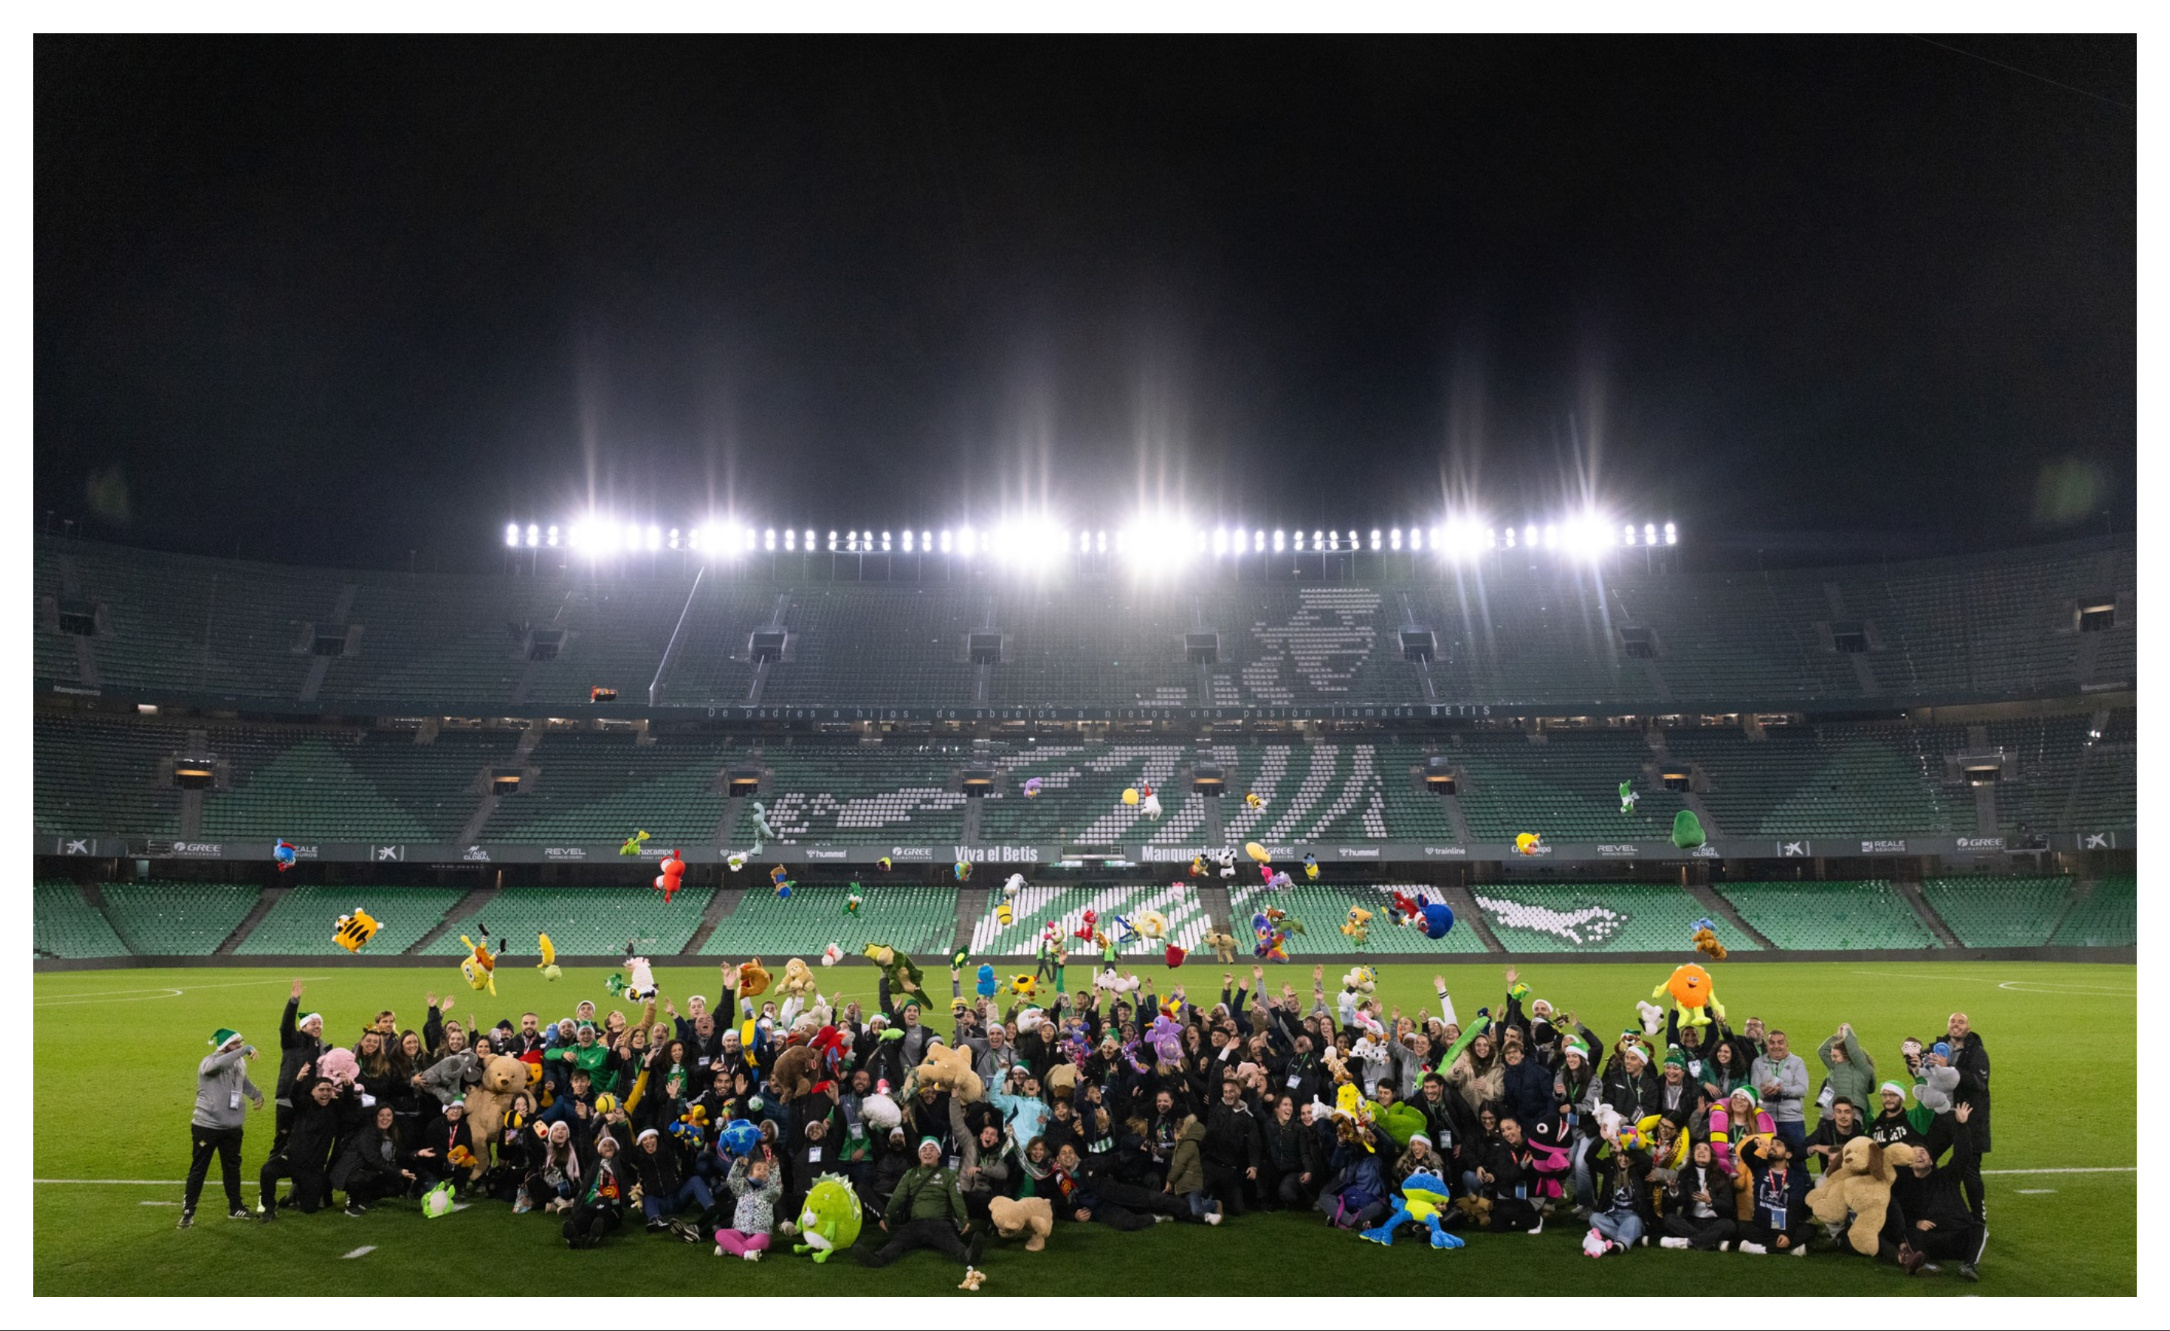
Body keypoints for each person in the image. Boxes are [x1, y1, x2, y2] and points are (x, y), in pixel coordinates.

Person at [1890, 1102, 1986, 1280]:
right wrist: (1916, 1222)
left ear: (1932, 1161)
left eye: (1923, 1152)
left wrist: (1962, 1126)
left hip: (1958, 1236)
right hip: (1931, 1240)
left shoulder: (1947, 1176)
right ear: (1909, 1162)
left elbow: (1962, 1155)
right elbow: (1900, 1215)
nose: (1919, 1154)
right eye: (1914, 1153)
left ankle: (1969, 1265)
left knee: (1979, 1227)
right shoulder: (1906, 1186)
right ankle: (1924, 1263)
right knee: (1910, 1229)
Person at [182, 1027, 263, 1228]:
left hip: (232, 1126)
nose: (240, 1046)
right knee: (199, 1169)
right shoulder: (209, 1061)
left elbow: (242, 1081)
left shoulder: (238, 1061)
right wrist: (244, 1051)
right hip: (207, 1126)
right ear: (225, 1046)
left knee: (232, 1168)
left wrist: (256, 1094)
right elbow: (215, 1066)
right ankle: (188, 1211)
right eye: (236, 1043)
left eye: (241, 1043)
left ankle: (236, 1207)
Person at [855, 1137, 980, 1267]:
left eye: (932, 1149)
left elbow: (956, 1198)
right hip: (914, 1224)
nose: (927, 1152)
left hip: (940, 1224)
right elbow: (898, 1197)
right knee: (897, 1242)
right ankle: (878, 1259)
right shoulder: (910, 1174)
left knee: (953, 1243)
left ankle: (968, 1256)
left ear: (939, 1153)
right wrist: (886, 1216)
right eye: (924, 1149)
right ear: (919, 1154)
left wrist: (963, 1218)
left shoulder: (948, 1175)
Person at [1944, 1011, 1990, 1222]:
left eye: (1961, 1022)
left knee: (1970, 1170)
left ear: (1968, 1029)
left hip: (1969, 1120)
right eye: (1953, 1021)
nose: (1956, 1025)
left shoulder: (1977, 1053)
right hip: (1942, 1118)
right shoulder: (1939, 1048)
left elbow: (1979, 1083)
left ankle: (1978, 1218)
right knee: (1923, 1158)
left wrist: (1949, 1068)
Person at [332, 1104, 417, 1216]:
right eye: (381, 1115)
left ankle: (363, 1199)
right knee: (358, 1179)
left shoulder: (392, 1132)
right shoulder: (368, 1133)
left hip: (374, 1169)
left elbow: (397, 1153)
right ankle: (351, 1205)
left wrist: (416, 1153)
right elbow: (373, 1159)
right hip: (354, 1169)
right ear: (375, 1117)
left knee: (396, 1186)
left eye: (388, 1115)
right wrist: (399, 1171)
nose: (385, 1118)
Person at [1735, 1134, 1812, 1255]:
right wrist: (1754, 1143)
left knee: (1809, 1230)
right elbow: (1746, 1154)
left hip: (1783, 1227)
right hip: (1761, 1226)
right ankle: (1790, 1248)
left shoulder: (1795, 1178)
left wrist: (1787, 1234)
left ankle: (1761, 1249)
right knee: (1741, 1227)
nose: (1772, 1147)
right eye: (1772, 1144)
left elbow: (1795, 1208)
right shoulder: (1760, 1167)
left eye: (1778, 1145)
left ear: (1788, 1155)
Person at [1658, 1139, 1738, 1251]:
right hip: (1692, 1221)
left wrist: (1710, 1201)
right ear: (1693, 1155)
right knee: (1669, 1219)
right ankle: (1712, 1242)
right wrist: (1674, 1190)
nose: (1701, 1151)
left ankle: (1688, 1242)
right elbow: (1681, 1201)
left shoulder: (1721, 1176)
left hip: (1714, 1222)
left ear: (1711, 1156)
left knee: (1729, 1225)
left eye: (1706, 1149)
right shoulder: (1685, 1173)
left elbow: (1727, 1206)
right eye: (1698, 1149)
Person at [272, 980, 322, 1150]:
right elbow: (285, 1027)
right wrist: (294, 1002)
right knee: (282, 1142)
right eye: (313, 1023)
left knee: (305, 1143)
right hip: (288, 1098)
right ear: (303, 1027)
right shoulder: (292, 1041)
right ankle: (271, 1173)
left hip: (308, 1101)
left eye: (319, 1023)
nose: (317, 1026)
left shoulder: (322, 1047)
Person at [563, 1128, 629, 1249]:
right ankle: (575, 1237)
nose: (608, 1147)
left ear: (616, 1149)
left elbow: (626, 1144)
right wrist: (583, 1119)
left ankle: (595, 1235)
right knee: (583, 1215)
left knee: (603, 1215)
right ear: (598, 1150)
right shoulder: (593, 1163)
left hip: (611, 1205)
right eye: (604, 1145)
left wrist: (619, 1124)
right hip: (590, 1201)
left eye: (611, 1145)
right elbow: (585, 1142)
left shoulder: (620, 1163)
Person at [711, 1154, 784, 1260]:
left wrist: (774, 1170)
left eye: (766, 1169)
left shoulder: (769, 1192)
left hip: (760, 1233)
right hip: (740, 1232)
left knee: (761, 1241)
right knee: (719, 1234)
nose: (762, 1171)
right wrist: (739, 1164)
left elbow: (776, 1190)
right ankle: (746, 1253)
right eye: (758, 1169)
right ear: (750, 1173)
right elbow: (731, 1180)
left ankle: (729, 1249)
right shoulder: (742, 1188)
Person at [1752, 1029, 1810, 1157]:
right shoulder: (1758, 1062)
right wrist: (1764, 1092)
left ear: (1786, 1045)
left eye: (1780, 1042)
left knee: (1797, 1159)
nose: (1776, 1046)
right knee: (1764, 1157)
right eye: (1772, 1043)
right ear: (1767, 1045)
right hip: (1766, 1119)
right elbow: (1754, 1091)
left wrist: (1782, 1090)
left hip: (1792, 1120)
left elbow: (1802, 1089)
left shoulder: (1797, 1062)